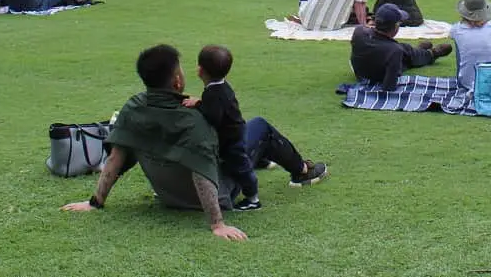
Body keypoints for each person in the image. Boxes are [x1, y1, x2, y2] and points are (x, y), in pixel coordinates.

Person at [61, 44, 328, 240]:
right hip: (215, 193)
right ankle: (302, 172)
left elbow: (116, 156)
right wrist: (217, 224)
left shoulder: (133, 109)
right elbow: (201, 169)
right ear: (177, 81)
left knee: (239, 139)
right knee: (259, 127)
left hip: (168, 194)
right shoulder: (192, 121)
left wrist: (95, 202)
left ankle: (262, 161)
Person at [182, 45, 261, 211]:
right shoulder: (220, 87)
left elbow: (213, 117)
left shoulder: (214, 93)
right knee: (239, 162)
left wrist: (198, 105)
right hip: (236, 132)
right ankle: (260, 161)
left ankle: (253, 199)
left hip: (232, 140)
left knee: (241, 168)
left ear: (200, 70)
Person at [350, 3, 452, 91]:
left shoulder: (359, 31)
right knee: (406, 56)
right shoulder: (394, 50)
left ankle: (418, 50)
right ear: (395, 27)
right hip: (378, 75)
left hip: (362, 73)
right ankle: (431, 54)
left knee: (404, 48)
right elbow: (389, 86)